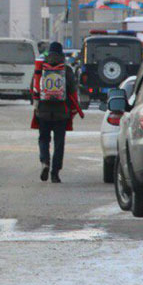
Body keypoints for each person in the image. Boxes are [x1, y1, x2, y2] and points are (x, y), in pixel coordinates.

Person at [30, 42, 82, 183]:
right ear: (61, 54)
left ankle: (45, 162)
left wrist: (36, 105)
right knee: (59, 143)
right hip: (61, 113)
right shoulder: (66, 69)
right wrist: (73, 110)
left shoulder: (41, 69)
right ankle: (55, 173)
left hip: (43, 112)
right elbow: (73, 90)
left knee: (43, 139)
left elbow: (33, 88)